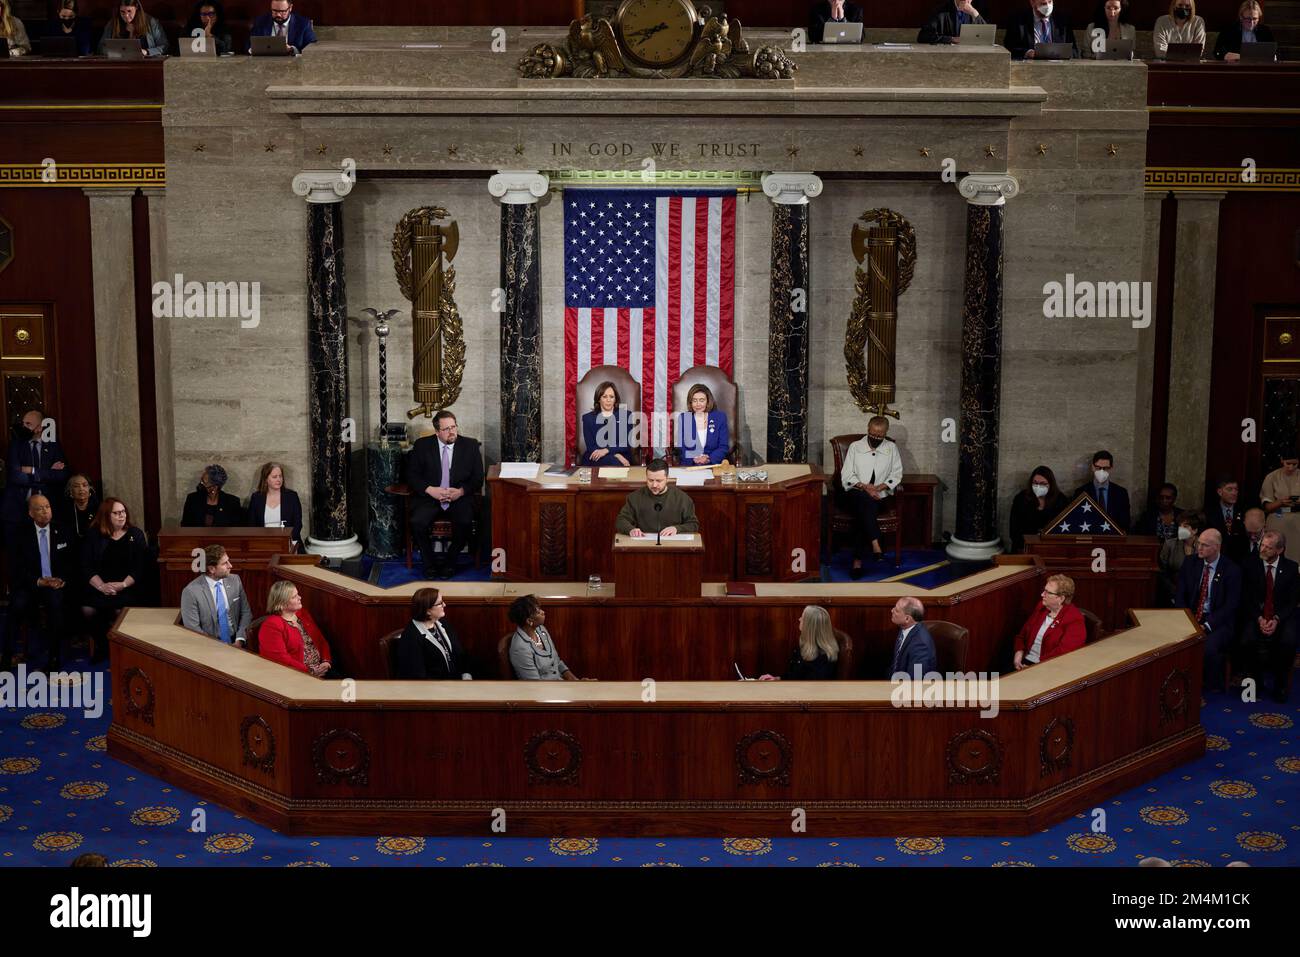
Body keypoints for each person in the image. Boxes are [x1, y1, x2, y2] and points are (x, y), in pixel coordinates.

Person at [407, 410, 483, 579]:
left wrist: (461, 491)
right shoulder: (422, 445)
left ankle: (450, 562)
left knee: (464, 521)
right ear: (437, 431)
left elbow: (478, 478)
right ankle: (429, 564)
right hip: (431, 496)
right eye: (446, 429)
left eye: (454, 427)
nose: (452, 432)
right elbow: (412, 475)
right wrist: (429, 489)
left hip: (458, 497)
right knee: (417, 522)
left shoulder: (470, 446)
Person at [1, 496, 73, 672]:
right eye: (40, 508)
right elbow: (16, 568)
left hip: (55, 584)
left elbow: (72, 562)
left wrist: (61, 579)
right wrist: (39, 581)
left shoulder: (63, 530)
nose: (45, 511)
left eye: (48, 506)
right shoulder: (20, 534)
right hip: (30, 584)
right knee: (16, 606)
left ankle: (54, 659)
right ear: (31, 513)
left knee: (56, 605)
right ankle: (7, 656)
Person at [80, 498, 147, 663]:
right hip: (100, 586)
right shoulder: (93, 535)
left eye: (123, 512)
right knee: (88, 610)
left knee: (119, 611)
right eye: (116, 513)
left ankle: (122, 648)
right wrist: (102, 586)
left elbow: (141, 567)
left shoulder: (135, 534)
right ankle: (103, 646)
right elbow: (85, 566)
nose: (121, 516)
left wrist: (123, 584)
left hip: (127, 586)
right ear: (106, 516)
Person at [1174, 528, 1241, 692]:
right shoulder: (1190, 563)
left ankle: (1208, 686)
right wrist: (1186, 619)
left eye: (1205, 545)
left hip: (1218, 621)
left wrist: (1208, 625)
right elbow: (1180, 595)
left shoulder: (1231, 570)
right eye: (1198, 543)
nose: (1199, 548)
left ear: (1217, 547)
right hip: (1191, 615)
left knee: (1209, 647)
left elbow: (1231, 605)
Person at [1235, 529, 1297, 703]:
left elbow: (1292, 602)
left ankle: (1280, 684)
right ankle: (1255, 682)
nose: (1262, 550)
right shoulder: (1249, 565)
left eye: (1268, 548)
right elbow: (1246, 598)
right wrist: (1260, 619)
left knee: (1289, 641)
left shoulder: (1291, 568)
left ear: (1280, 550)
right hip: (1256, 615)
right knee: (1246, 640)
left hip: (1281, 617)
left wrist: (1276, 619)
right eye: (1262, 545)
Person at [839, 416, 904, 577]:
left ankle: (857, 561)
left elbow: (896, 474)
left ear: (885, 433)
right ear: (868, 430)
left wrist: (880, 487)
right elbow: (847, 474)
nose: (876, 437)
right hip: (856, 492)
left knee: (863, 513)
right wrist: (865, 487)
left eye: (880, 435)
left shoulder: (891, 448)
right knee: (864, 502)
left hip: (879, 495)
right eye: (873, 434)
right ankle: (876, 543)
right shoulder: (856, 446)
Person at [3, 409, 68, 559]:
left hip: (46, 513)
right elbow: (16, 476)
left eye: (28, 424)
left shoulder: (53, 444)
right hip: (17, 512)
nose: (23, 427)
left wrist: (32, 470)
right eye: (23, 423)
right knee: (17, 558)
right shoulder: (16, 445)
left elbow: (62, 475)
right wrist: (46, 474)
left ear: (40, 428)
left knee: (46, 556)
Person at [179, 545, 252, 646]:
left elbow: (246, 612)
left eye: (228, 561)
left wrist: (240, 639)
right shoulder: (191, 592)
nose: (230, 566)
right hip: (208, 646)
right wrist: (216, 647)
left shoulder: (235, 580)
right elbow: (193, 629)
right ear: (212, 569)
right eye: (225, 563)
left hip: (236, 640)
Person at [259, 581, 333, 677]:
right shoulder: (271, 625)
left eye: (297, 594)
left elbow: (320, 639)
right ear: (281, 603)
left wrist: (326, 661)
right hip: (297, 677)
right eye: (294, 597)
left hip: (321, 670)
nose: (300, 598)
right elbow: (281, 659)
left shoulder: (302, 613)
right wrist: (310, 671)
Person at [395, 587, 470, 679]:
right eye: (440, 603)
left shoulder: (442, 623)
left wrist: (466, 674)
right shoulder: (411, 638)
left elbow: (459, 652)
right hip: (434, 689)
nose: (445, 605)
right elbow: (417, 676)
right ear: (427, 610)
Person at [1013, 574, 1086, 668]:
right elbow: (1022, 635)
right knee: (993, 677)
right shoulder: (1042, 607)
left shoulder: (1074, 619)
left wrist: (1035, 667)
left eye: (1047, 592)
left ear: (1061, 598)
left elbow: (1063, 654)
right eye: (1044, 590)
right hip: (1024, 661)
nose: (1042, 594)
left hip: (1048, 668)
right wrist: (1018, 653)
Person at [615, 458, 700, 538]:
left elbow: (693, 524)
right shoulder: (634, 497)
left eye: (659, 481)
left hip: (672, 545)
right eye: (650, 480)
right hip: (643, 544)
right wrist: (631, 529)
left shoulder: (682, 499)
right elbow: (621, 520)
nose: (654, 485)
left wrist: (677, 529)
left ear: (667, 479)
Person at [507, 595, 580, 680]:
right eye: (538, 612)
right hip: (542, 691)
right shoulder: (520, 648)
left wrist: (577, 682)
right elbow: (535, 684)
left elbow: (557, 661)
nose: (543, 612)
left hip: (561, 685)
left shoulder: (541, 630)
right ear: (529, 621)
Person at [760, 605, 840, 680]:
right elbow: (793, 675)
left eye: (803, 617)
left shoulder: (823, 659)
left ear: (810, 626)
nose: (799, 619)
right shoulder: (806, 645)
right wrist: (776, 679)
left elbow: (808, 688)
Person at [1008, 465, 1069, 552]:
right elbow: (1014, 530)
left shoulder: (1061, 501)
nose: (1038, 486)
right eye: (1035, 483)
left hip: (1051, 549)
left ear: (1051, 484)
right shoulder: (1021, 499)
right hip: (1023, 548)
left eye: (1043, 484)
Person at [580, 381, 635, 468]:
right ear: (598, 399)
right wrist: (617, 455)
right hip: (596, 456)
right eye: (604, 397)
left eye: (612, 397)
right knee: (610, 462)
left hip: (622, 457)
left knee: (613, 464)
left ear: (615, 399)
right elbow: (590, 446)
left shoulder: (626, 415)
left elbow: (625, 445)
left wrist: (606, 450)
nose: (608, 400)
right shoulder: (587, 418)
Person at [1073, 450, 1131, 532]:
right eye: (1098, 468)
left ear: (1111, 468)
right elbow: (1077, 521)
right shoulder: (1081, 492)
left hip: (1113, 538)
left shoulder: (1121, 493)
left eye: (1106, 468)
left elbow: (1125, 523)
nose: (1102, 471)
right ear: (1092, 467)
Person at [246, 462, 303, 546]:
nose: (278, 480)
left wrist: (288, 541)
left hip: (288, 542)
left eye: (280, 476)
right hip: (263, 543)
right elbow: (251, 525)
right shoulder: (257, 498)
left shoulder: (292, 496)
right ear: (266, 479)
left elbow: (297, 524)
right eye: (274, 477)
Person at [674, 384, 729, 466]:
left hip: (713, 464)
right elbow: (682, 447)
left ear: (708, 402)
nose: (698, 404)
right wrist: (693, 458)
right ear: (690, 402)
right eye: (694, 400)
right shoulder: (685, 418)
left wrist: (709, 458)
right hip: (690, 465)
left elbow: (723, 446)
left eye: (702, 400)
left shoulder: (720, 417)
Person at [1158, 509, 1203, 606]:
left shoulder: (1203, 546)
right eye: (1179, 526)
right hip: (1173, 592)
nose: (1180, 529)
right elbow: (1162, 573)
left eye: (1185, 526)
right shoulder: (1170, 544)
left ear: (1195, 530)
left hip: (1197, 594)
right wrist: (1174, 591)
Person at [1005, 0, 1078, 58]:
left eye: (1050, 2)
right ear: (1032, 2)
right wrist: (1028, 53)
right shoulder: (1018, 21)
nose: (1048, 6)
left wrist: (1063, 54)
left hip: (1058, 68)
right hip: (1030, 68)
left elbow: (1074, 51)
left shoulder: (1062, 21)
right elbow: (1009, 48)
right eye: (1043, 3)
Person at [887, 597, 937, 679]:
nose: (892, 610)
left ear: (907, 618)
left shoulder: (920, 646)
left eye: (896, 610)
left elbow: (914, 680)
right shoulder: (905, 628)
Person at [180, 465, 245, 527]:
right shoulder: (192, 499)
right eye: (201, 481)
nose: (200, 484)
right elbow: (185, 526)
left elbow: (236, 530)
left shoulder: (232, 502)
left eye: (204, 482)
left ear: (215, 487)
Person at [97, 0, 168, 57]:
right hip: (119, 62)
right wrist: (115, 52)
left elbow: (164, 46)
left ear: (136, 8)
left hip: (145, 63)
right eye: (122, 12)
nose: (126, 16)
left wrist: (147, 52)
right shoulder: (113, 23)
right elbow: (101, 47)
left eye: (129, 11)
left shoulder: (150, 22)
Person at [1260, 451, 1300, 545]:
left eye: (1295, 464)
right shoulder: (1271, 477)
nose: (1291, 467)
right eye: (1288, 463)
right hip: (1278, 519)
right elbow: (1267, 507)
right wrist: (1280, 502)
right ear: (1282, 460)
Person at [248, 0, 316, 54]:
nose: (278, 15)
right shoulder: (260, 22)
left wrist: (292, 49)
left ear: (290, 8)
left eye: (282, 11)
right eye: (274, 11)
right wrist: (254, 50)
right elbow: (248, 45)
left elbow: (311, 50)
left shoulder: (303, 24)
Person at [1205, 477, 1247, 560]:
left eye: (1236, 489)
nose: (1234, 493)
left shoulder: (1244, 511)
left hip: (1238, 558)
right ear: (1220, 492)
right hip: (1215, 556)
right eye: (1230, 489)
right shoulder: (1209, 512)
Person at [917, 0, 987, 44]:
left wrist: (974, 13)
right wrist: (951, 39)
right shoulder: (941, 10)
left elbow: (987, 36)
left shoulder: (975, 10)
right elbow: (923, 36)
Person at [57, 474, 101, 542]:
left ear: (90, 489)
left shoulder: (99, 508)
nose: (81, 488)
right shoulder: (63, 510)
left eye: (85, 485)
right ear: (70, 491)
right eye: (76, 486)